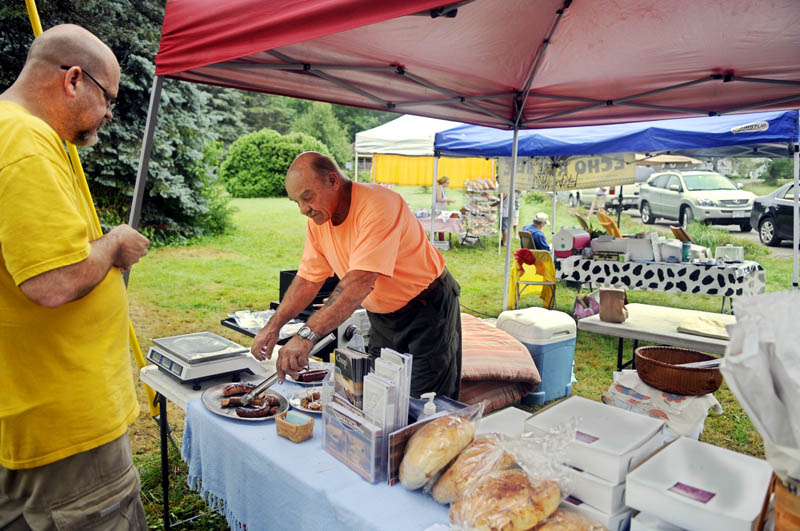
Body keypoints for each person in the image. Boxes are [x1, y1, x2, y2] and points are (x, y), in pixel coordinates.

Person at [0, 25, 150, 529]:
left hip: (29, 408)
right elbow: (53, 281)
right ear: (73, 80)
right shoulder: (25, 141)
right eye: (108, 97)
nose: (110, 113)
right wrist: (113, 244)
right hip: (65, 425)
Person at [251, 152, 462, 399]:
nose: (303, 210)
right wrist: (273, 326)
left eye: (307, 197)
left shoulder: (379, 204)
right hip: (382, 317)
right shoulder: (320, 220)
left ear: (332, 180)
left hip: (427, 310)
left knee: (427, 401)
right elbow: (309, 278)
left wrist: (306, 335)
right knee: (380, 396)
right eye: (296, 202)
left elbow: (360, 281)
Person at [433, 176, 456, 241]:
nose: (448, 185)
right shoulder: (439, 188)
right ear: (443, 182)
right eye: (447, 183)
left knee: (437, 225)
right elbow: (439, 199)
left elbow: (443, 199)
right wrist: (449, 200)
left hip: (441, 209)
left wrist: (447, 202)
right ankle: (440, 240)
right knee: (439, 225)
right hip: (437, 209)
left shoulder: (443, 189)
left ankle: (434, 240)